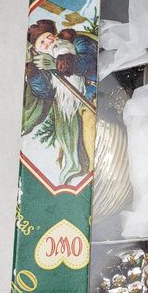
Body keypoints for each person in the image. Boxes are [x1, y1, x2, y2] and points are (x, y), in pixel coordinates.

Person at [23, 20, 98, 185]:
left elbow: (91, 63)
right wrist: (34, 74)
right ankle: (73, 166)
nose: (47, 42)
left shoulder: (76, 42)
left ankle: (94, 168)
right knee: (67, 129)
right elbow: (45, 92)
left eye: (48, 36)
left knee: (88, 118)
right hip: (71, 105)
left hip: (94, 93)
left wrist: (58, 64)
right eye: (42, 42)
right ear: (38, 49)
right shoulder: (43, 62)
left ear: (55, 35)